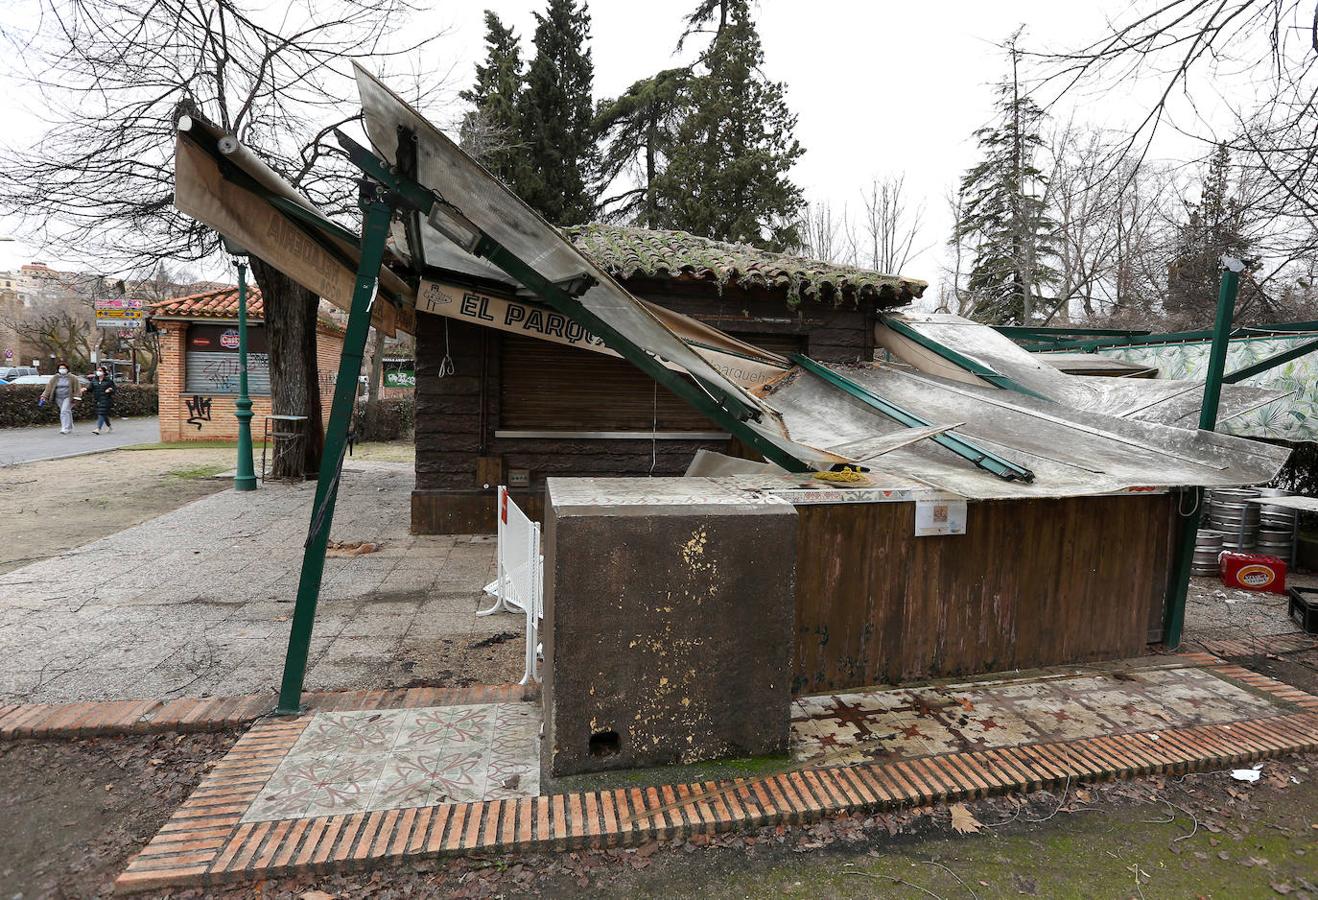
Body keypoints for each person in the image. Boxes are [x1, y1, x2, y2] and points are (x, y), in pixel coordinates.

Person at [38, 362, 82, 434]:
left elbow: (77, 388)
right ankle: (70, 426)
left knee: (64, 411)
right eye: (60, 368)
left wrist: (77, 396)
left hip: (68, 397)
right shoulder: (55, 378)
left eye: (64, 368)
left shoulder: (72, 378)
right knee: (66, 411)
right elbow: (49, 387)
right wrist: (44, 395)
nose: (62, 370)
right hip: (58, 397)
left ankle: (64, 428)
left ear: (67, 369)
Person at [88, 366, 116, 434]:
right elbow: (90, 388)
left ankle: (98, 428)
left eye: (100, 370)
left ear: (104, 372)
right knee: (104, 414)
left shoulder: (108, 380)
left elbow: (114, 389)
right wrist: (85, 389)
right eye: (98, 370)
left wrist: (110, 389)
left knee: (101, 412)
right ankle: (109, 426)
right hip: (97, 399)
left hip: (106, 399)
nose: (98, 372)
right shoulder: (94, 380)